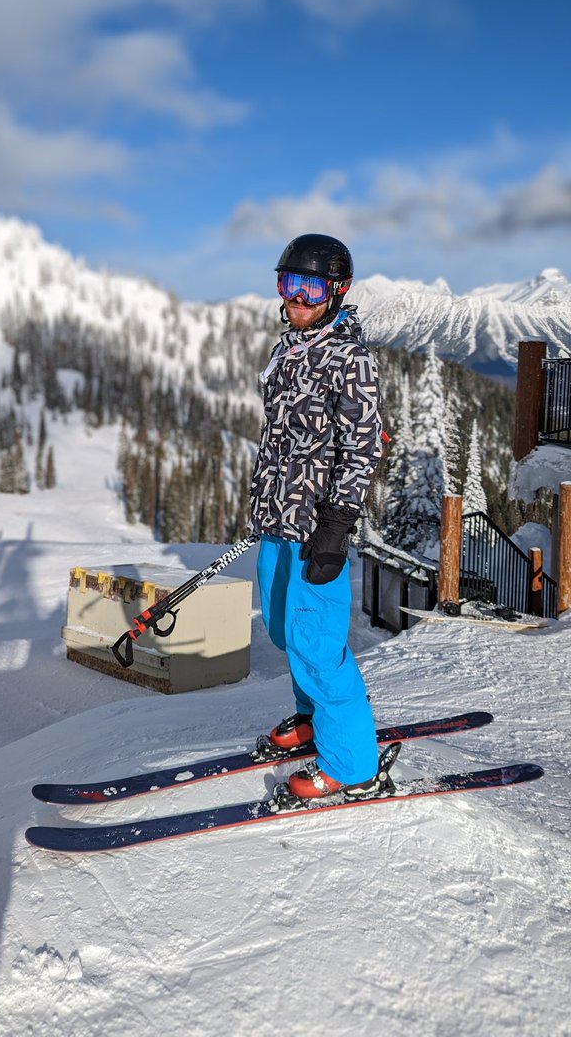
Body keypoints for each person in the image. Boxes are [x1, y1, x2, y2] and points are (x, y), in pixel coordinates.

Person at [250, 233, 383, 800]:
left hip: (316, 531)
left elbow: (363, 448)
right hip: (278, 522)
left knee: (318, 643)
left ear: (336, 291)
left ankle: (352, 766)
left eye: (310, 286)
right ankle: (310, 717)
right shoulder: (289, 347)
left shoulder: (350, 358)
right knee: (284, 628)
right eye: (289, 284)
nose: (298, 297)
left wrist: (335, 528)